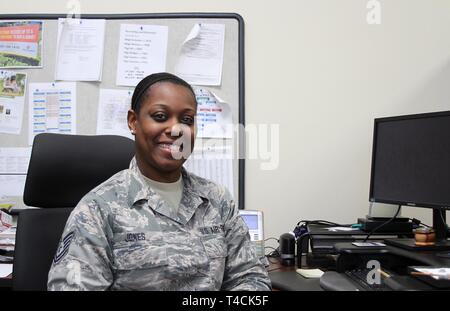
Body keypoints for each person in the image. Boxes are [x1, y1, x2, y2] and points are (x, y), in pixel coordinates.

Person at [47, 72, 271, 291]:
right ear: (133, 122)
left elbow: (251, 276)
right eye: (160, 117)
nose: (175, 129)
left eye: (187, 120)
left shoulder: (217, 200)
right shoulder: (98, 208)